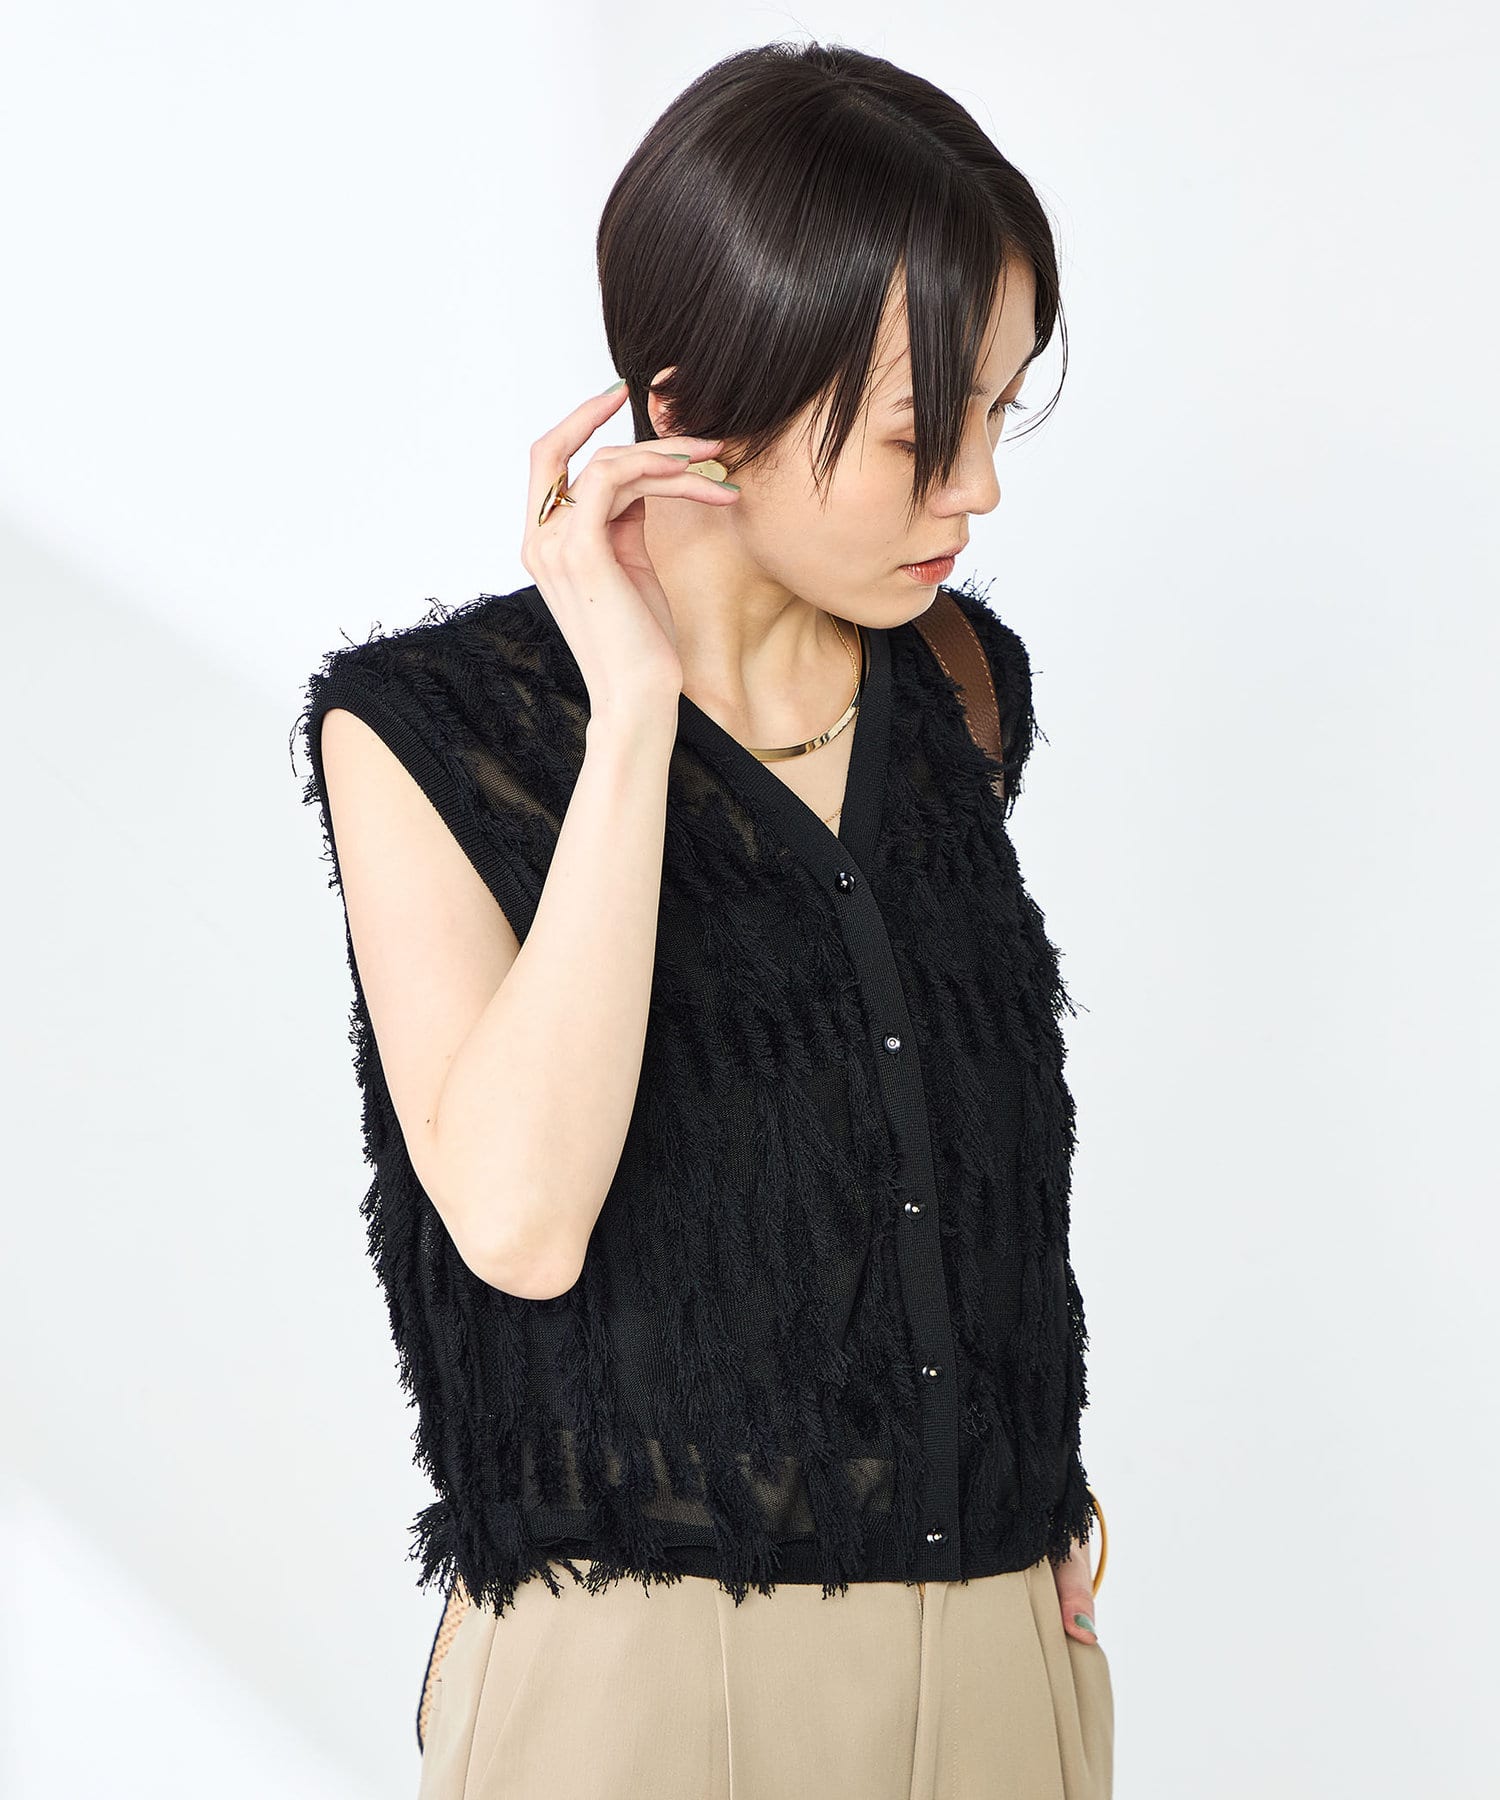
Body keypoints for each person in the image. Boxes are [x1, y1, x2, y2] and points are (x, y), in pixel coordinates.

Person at [296, 37, 1112, 1800]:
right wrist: (632, 717)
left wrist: (1027, 1481)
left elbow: (887, 1166)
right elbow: (522, 1222)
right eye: (920, 433)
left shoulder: (962, 692)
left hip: (998, 1652)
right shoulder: (426, 735)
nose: (978, 489)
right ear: (693, 407)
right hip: (644, 1685)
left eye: (999, 412)